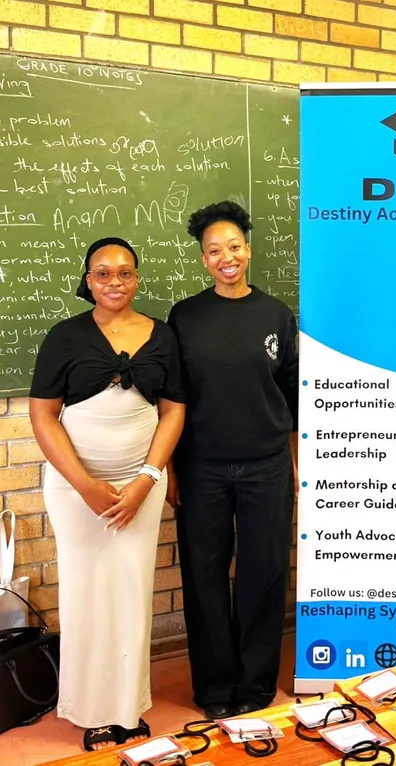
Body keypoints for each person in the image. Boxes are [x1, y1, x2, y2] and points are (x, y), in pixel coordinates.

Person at [29, 238, 185, 751]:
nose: (114, 282)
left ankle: (127, 705)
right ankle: (92, 709)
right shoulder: (64, 336)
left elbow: (173, 411)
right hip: (77, 491)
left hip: (142, 485)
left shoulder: (163, 335)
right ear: (87, 280)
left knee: (132, 592)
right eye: (103, 273)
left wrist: (146, 480)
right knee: (86, 591)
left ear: (136, 277)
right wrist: (87, 486)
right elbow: (43, 416)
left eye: (124, 273)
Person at [167, 200, 298, 720]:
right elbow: (172, 399)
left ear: (249, 249)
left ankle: (255, 682)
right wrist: (171, 468)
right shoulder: (185, 317)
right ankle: (215, 684)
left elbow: (290, 393)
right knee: (204, 575)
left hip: (266, 464)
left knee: (263, 573)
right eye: (215, 250)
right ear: (204, 259)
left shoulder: (275, 314)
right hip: (202, 468)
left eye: (235, 246)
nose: (228, 257)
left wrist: (294, 462)